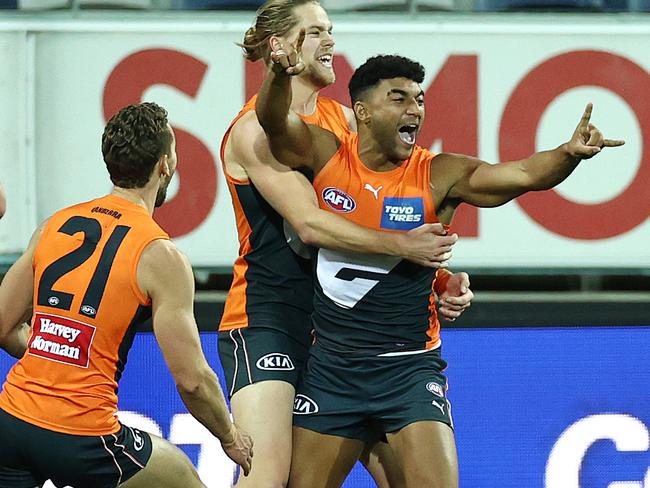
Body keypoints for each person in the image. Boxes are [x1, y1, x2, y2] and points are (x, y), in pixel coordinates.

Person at [256, 45, 624, 488]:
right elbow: (275, 122)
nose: (415, 109)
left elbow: (523, 175)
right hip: (332, 371)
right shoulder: (326, 154)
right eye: (399, 98)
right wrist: (278, 74)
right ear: (363, 111)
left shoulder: (439, 174)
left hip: (409, 373)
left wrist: (567, 154)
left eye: (420, 99)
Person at [219, 1, 473, 487]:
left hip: (334, 334)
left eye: (330, 29)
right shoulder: (254, 129)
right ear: (280, 47)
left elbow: (380, 208)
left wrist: (439, 279)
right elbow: (312, 227)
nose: (331, 41)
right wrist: (406, 247)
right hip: (269, 319)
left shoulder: (343, 119)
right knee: (267, 478)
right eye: (315, 32)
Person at [0, 102, 253, 488]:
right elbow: (192, 381)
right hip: (84, 437)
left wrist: (55, 354)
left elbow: (3, 327)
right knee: (183, 476)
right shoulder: (160, 255)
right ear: (165, 166)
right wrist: (230, 437)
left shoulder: (56, 223)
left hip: (11, 424)